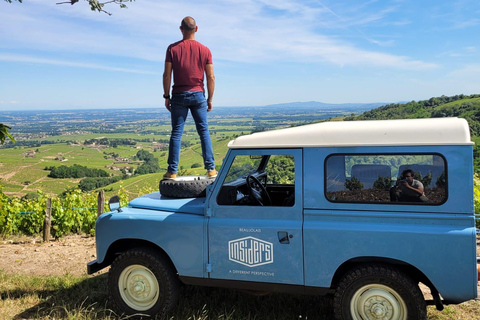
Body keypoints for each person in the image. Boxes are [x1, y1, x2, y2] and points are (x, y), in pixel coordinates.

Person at [162, 16, 217, 180]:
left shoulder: (172, 49)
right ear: (196, 29)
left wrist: (166, 96)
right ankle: (211, 169)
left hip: (178, 95)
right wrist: (210, 99)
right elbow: (211, 77)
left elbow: (167, 75)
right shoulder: (205, 50)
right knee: (204, 132)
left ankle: (172, 171)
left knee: (176, 133)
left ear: (181, 29)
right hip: (198, 94)